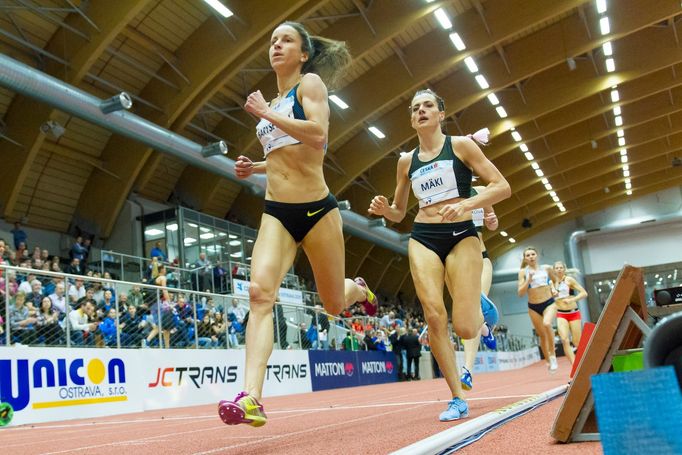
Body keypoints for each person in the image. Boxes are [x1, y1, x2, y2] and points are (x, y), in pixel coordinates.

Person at [218, 21, 353, 428]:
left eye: (286, 40)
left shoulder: (308, 86)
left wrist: (263, 113)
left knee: (333, 304)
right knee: (260, 295)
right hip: (277, 211)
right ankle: (252, 398)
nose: (276, 45)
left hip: (316, 210)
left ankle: (356, 290)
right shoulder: (275, 101)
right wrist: (255, 167)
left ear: (304, 53)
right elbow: (283, 156)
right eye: (272, 40)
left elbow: (317, 138)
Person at [368, 88, 510, 421]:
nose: (421, 111)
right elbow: (400, 212)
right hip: (423, 236)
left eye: (428, 105)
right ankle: (457, 398)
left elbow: (501, 185)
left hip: (462, 235)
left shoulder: (461, 146)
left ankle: (478, 312)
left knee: (463, 328)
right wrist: (384, 209)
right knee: (434, 316)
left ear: (441, 114)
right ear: (412, 118)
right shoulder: (406, 162)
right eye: (415, 107)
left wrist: (466, 204)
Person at [460, 182, 499, 391]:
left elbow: (492, 224)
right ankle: (486, 329)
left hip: (481, 259)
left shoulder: (481, 191)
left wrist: (492, 220)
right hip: (459, 265)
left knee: (475, 309)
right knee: (471, 315)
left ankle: (467, 370)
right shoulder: (442, 192)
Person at [518, 247, 559, 372]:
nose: (531, 257)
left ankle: (552, 355)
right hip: (534, 307)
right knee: (542, 335)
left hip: (549, 303)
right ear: (525, 258)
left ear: (537, 255)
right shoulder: (523, 272)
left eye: (533, 254)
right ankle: (548, 360)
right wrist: (528, 280)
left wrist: (555, 289)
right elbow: (520, 293)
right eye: (528, 255)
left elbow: (556, 280)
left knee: (547, 324)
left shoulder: (546, 268)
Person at [552, 261, 588, 365]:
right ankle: (574, 365)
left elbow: (584, 293)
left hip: (573, 313)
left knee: (577, 342)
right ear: (554, 270)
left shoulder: (569, 280)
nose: (559, 269)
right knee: (564, 339)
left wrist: (572, 300)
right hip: (561, 314)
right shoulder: (551, 282)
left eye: (561, 267)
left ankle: (584, 362)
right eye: (557, 268)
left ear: (564, 269)